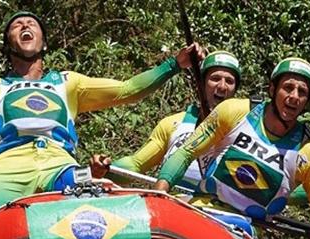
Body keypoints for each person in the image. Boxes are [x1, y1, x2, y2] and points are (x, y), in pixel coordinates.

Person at [0, 11, 204, 221]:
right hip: (9, 164)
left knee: (99, 192)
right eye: (17, 25)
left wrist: (175, 64)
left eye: (32, 23)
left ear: (45, 43)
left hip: (61, 165)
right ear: (7, 44)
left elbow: (127, 90)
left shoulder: (69, 82)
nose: (26, 26)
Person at [155, 57, 310, 239]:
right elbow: (186, 152)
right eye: (288, 87)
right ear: (272, 89)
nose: (294, 96)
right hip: (199, 205)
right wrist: (160, 193)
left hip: (245, 228)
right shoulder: (234, 111)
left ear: (306, 102)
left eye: (301, 92)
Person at [90, 50, 241, 191]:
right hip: (173, 206)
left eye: (229, 81)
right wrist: (105, 169)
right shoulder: (173, 124)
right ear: (201, 84)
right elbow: (136, 164)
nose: (222, 86)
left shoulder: (245, 128)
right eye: (215, 79)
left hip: (215, 214)